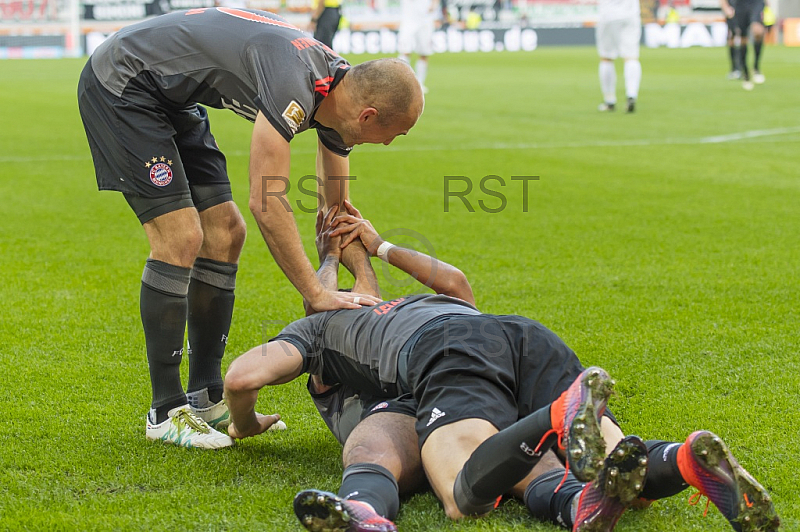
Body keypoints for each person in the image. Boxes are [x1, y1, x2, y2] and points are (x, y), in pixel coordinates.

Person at [224, 203, 779, 532]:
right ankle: (681, 461)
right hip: (514, 335)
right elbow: (455, 283)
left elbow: (241, 377)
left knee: (462, 495)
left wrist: (245, 423)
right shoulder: (388, 309)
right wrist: (375, 246)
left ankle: (554, 421)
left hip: (447, 353)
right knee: (603, 465)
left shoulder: (319, 327)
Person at [77, 7, 424, 449]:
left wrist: (361, 275)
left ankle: (206, 398)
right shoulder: (294, 85)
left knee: (225, 232)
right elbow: (267, 201)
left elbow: (336, 210)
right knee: (181, 236)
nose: (391, 144)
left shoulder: (340, 93)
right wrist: (315, 293)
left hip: (170, 95)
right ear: (369, 117)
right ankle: (165, 412)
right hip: (124, 82)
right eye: (397, 134)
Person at [595, 0, 642, 113]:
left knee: (606, 57)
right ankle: (631, 94)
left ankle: (609, 101)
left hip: (608, 15)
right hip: (630, 14)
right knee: (631, 57)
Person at [721, 0, 766, 90]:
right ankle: (745, 72)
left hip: (756, 3)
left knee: (758, 31)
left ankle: (756, 68)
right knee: (742, 38)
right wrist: (725, 7)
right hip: (739, 5)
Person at [398, 0, 439, 93]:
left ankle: (419, 84)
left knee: (424, 53)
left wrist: (434, 4)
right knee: (405, 51)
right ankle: (401, 83)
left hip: (425, 20)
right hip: (409, 19)